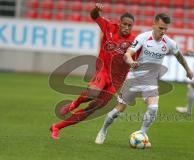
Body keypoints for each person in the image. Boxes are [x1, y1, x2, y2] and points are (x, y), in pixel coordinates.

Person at [95, 13, 193, 146]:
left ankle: (141, 134)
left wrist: (188, 69)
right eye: (160, 28)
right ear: (154, 24)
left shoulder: (169, 43)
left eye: (165, 29)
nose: (163, 31)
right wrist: (130, 62)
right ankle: (103, 130)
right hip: (134, 78)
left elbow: (179, 56)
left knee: (153, 108)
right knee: (118, 110)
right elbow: (128, 54)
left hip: (150, 81)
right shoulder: (143, 38)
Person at [50, 3, 137, 139]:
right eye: (124, 24)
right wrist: (96, 9)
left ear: (132, 27)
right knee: (93, 93)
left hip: (116, 81)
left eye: (129, 25)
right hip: (102, 71)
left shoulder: (134, 42)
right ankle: (75, 103)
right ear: (119, 23)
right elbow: (94, 16)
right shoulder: (109, 27)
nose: (126, 27)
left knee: (93, 108)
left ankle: (57, 127)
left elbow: (136, 58)